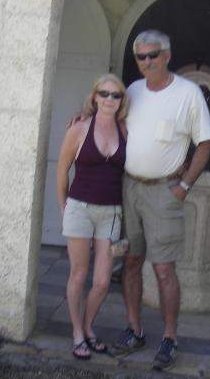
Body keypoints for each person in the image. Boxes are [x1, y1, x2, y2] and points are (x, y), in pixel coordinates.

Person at [111, 30, 210, 371]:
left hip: (164, 191)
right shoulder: (133, 91)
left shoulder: (188, 94)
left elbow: (206, 143)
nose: (147, 62)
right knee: (130, 262)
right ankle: (135, 330)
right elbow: (111, 120)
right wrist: (82, 118)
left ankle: (170, 338)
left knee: (164, 269)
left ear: (167, 55)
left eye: (153, 55)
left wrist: (184, 185)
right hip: (130, 187)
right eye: (140, 57)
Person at [56, 74, 129, 360]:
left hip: (111, 212)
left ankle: (88, 327)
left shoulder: (125, 129)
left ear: (121, 101)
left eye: (116, 95)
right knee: (78, 274)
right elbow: (62, 170)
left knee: (102, 281)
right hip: (80, 209)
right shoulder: (79, 129)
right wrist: (64, 207)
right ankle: (77, 333)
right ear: (95, 96)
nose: (110, 99)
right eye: (104, 93)